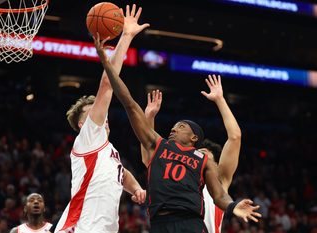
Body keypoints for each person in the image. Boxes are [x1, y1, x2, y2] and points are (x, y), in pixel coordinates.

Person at [93, 36, 262, 233]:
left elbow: (220, 193)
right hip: (160, 223)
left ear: (194, 138)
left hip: (190, 222)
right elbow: (129, 103)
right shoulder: (160, 145)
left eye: (180, 126)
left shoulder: (207, 163)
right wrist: (107, 63)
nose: (173, 129)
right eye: (174, 126)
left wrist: (234, 207)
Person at [54, 4, 149, 233]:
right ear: (81, 124)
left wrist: (136, 188)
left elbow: (120, 172)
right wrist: (126, 36)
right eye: (93, 112)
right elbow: (107, 85)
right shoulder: (88, 137)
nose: (102, 115)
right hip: (81, 227)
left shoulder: (106, 150)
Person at [141, 75, 242, 233]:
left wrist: (220, 100)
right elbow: (148, 153)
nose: (195, 157)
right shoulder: (176, 175)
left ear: (215, 165)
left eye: (203, 155)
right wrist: (149, 116)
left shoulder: (220, 179)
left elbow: (235, 137)